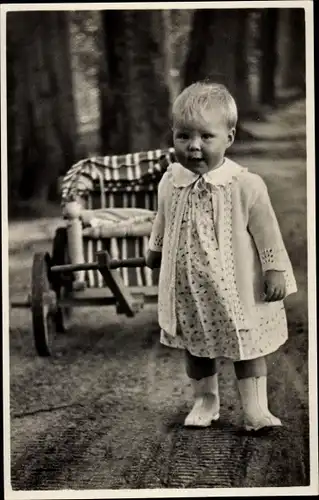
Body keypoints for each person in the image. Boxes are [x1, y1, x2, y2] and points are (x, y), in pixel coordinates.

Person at [146, 81, 297, 431]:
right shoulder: (171, 181)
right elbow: (163, 217)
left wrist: (274, 269)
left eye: (205, 137)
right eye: (183, 136)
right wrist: (155, 248)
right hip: (191, 291)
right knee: (197, 349)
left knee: (248, 348)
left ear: (228, 138)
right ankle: (205, 401)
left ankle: (256, 409)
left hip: (237, 290)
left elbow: (267, 231)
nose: (194, 146)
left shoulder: (245, 185)